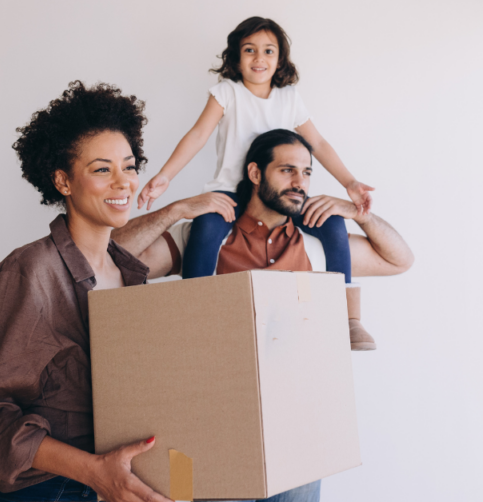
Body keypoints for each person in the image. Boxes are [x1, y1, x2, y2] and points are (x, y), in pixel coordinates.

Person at [0, 81, 235, 502]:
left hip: (120, 483)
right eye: (102, 169)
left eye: (129, 166)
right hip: (55, 489)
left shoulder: (128, 273)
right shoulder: (30, 272)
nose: (122, 182)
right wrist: (94, 472)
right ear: (63, 182)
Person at [133, 17, 379, 345]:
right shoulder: (227, 93)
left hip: (279, 194)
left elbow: (317, 144)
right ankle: (193, 314)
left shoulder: (289, 97)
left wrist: (349, 182)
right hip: (231, 193)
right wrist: (164, 176)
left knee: (333, 224)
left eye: (268, 51)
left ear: (280, 60)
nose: (259, 58)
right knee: (205, 230)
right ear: (236, 57)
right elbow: (198, 135)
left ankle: (349, 319)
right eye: (249, 50)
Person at [113, 129, 414, 354]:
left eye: (306, 173)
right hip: (219, 387)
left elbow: (399, 260)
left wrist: (361, 215)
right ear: (255, 173)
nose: (300, 183)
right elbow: (105, 260)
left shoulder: (316, 245)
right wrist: (174, 211)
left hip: (299, 397)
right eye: (287, 171)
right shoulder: (205, 238)